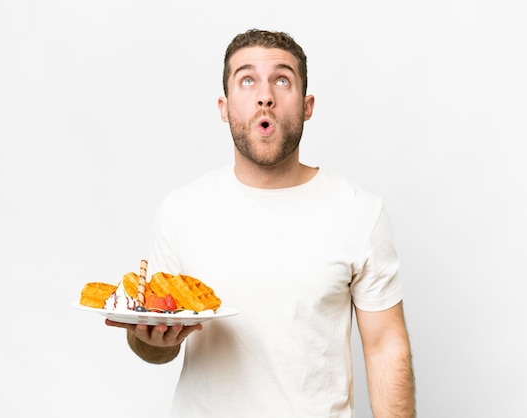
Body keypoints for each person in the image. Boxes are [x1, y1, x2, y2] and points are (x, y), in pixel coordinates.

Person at [106, 29, 415, 418]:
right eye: (247, 80)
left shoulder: (360, 213)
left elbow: (386, 345)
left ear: (307, 105)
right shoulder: (182, 210)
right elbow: (153, 349)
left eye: (282, 79)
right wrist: (153, 340)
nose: (265, 95)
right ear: (224, 107)